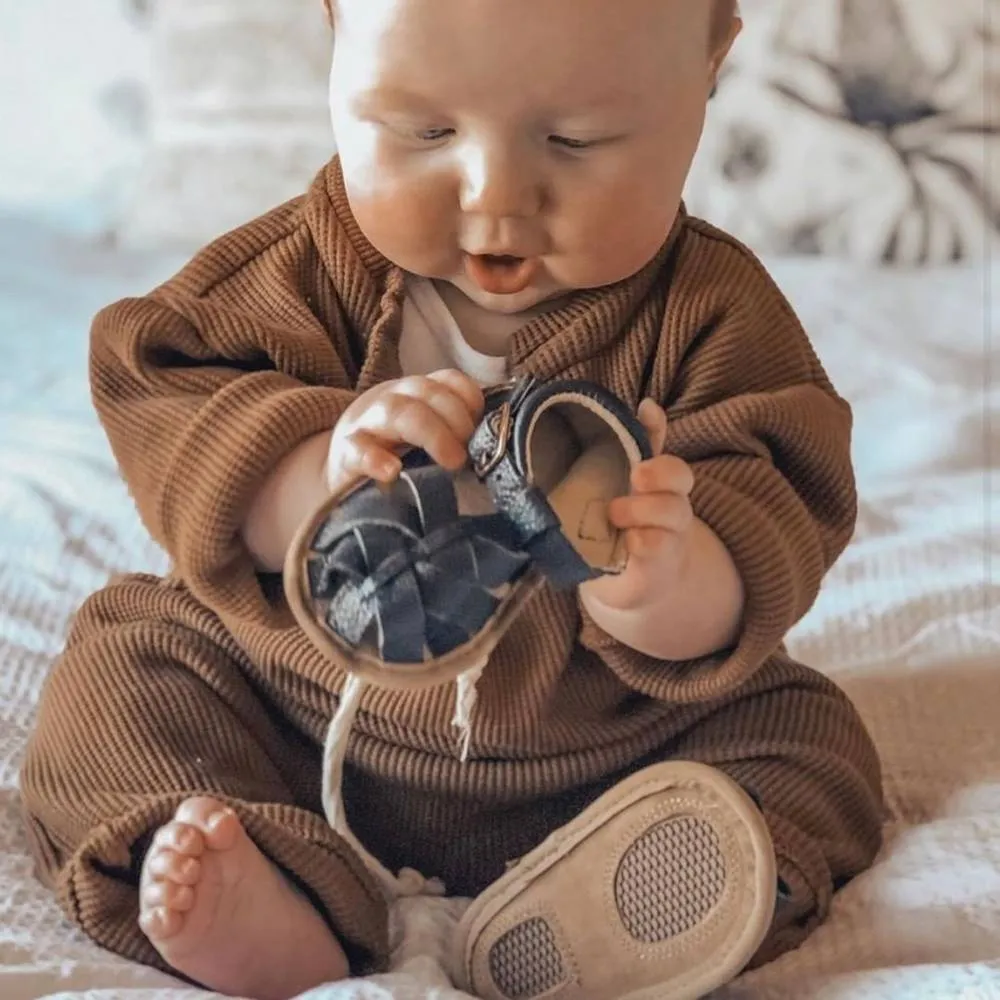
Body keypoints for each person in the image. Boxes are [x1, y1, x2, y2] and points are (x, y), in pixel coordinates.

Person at [20, 2, 884, 999]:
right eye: (423, 131)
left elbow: (778, 490)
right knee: (121, 661)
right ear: (335, 42)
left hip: (605, 750)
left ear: (709, 65)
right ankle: (278, 892)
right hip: (293, 712)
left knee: (813, 745)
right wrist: (315, 467)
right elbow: (166, 397)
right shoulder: (289, 273)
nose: (493, 197)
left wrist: (666, 578)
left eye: (576, 139)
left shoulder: (714, 318)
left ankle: (617, 908)